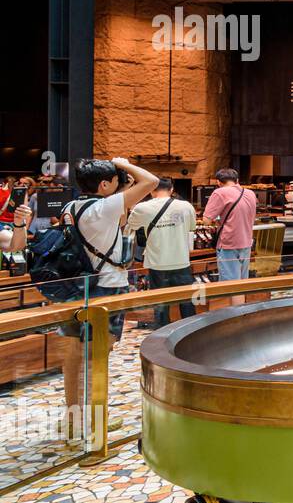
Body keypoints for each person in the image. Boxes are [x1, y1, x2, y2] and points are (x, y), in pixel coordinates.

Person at [57, 157, 159, 443]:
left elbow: (120, 220)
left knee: (74, 356)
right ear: (104, 184)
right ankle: (94, 423)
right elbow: (150, 182)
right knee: (97, 355)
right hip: (107, 288)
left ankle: (74, 419)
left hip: (76, 288)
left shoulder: (71, 207)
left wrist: (120, 180)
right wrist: (123, 163)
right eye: (113, 180)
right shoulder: (104, 207)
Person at [127, 177, 197, 328]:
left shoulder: (142, 208)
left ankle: (161, 334)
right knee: (187, 301)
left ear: (152, 190)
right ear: (171, 190)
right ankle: (190, 331)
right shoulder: (186, 206)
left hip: (157, 263)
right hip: (181, 261)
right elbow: (192, 227)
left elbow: (132, 224)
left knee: (160, 302)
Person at [202, 168, 256, 282]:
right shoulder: (250, 193)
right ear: (237, 180)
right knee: (241, 282)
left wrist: (217, 219)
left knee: (230, 286)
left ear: (218, 182)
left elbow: (206, 220)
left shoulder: (220, 192)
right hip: (246, 243)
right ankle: (241, 301)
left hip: (229, 244)